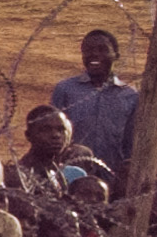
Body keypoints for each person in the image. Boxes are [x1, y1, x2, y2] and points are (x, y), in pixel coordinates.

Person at [50, 28, 141, 167]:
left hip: (112, 171)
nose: (94, 54)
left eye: (102, 49)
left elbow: (131, 142)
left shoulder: (130, 96)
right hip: (72, 168)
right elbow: (53, 133)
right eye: (88, 50)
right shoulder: (65, 90)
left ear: (116, 55)